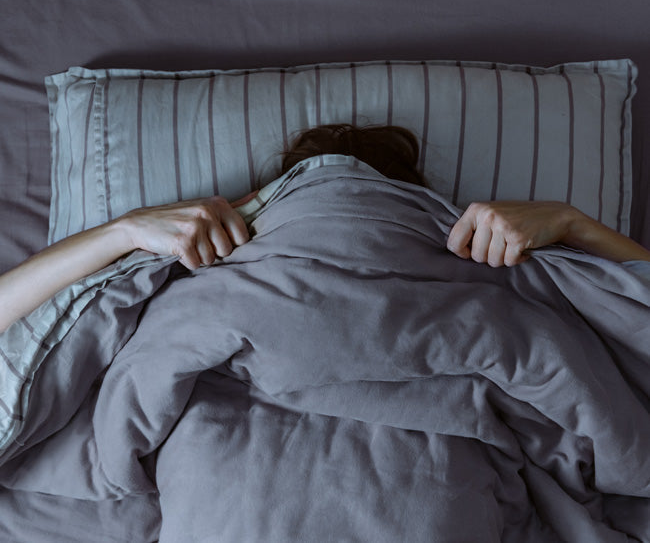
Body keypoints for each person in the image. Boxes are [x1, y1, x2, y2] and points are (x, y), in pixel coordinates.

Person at [0, 123, 648, 335]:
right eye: (292, 191)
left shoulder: (486, 249)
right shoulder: (185, 252)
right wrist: (126, 232)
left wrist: (568, 225)